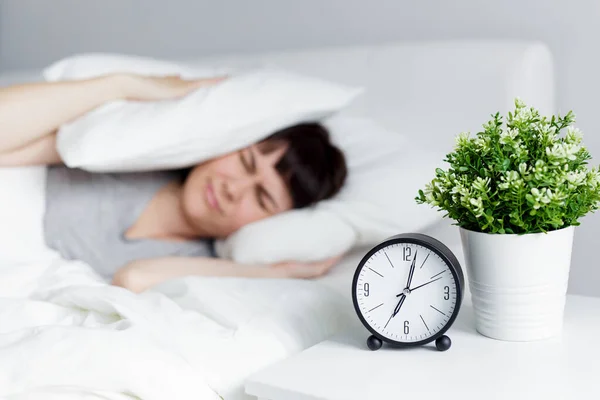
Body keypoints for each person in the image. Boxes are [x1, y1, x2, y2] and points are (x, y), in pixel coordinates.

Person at [0, 73, 347, 292]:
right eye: (244, 162)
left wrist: (277, 275)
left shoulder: (201, 263)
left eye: (261, 198)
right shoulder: (123, 154)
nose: (233, 187)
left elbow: (133, 279)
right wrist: (122, 84)